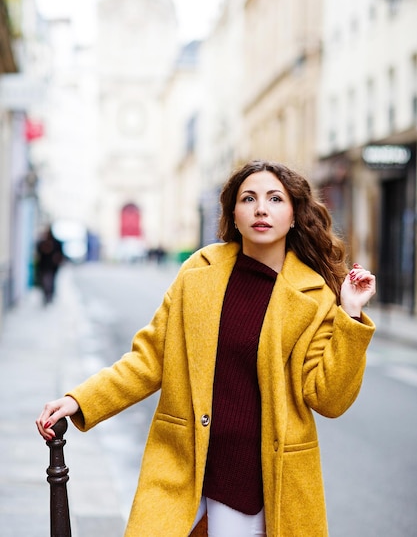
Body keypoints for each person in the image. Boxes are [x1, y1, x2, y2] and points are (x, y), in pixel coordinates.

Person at [36, 160, 376, 537]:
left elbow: (329, 398)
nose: (261, 208)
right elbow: (149, 359)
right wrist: (80, 400)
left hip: (257, 483)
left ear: (294, 215)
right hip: (181, 465)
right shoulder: (199, 272)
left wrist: (350, 314)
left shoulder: (313, 295)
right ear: (233, 212)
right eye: (249, 198)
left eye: (275, 199)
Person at [35, 225, 64, 304]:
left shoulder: (56, 243)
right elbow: (39, 252)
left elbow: (60, 254)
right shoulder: (42, 243)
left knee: (50, 282)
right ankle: (46, 296)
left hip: (52, 267)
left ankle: (49, 296)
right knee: (45, 282)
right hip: (44, 266)